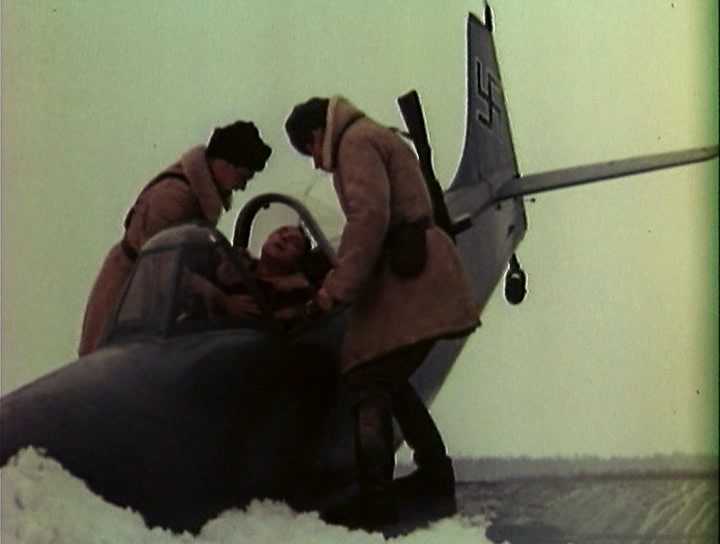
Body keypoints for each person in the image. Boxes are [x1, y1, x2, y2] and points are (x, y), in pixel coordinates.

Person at [285, 96, 480, 527]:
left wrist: (333, 291)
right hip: (415, 273)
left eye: (310, 149)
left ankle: (376, 498)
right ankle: (434, 474)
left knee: (368, 378)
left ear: (317, 134)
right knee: (385, 374)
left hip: (412, 279)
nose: (316, 162)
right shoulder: (371, 136)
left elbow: (369, 218)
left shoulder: (354, 143)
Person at [78, 120, 272, 356]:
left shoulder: (193, 194)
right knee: (111, 361)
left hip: (148, 292)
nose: (242, 186)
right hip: (129, 294)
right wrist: (223, 302)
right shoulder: (172, 197)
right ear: (224, 163)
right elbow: (164, 267)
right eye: (243, 176)